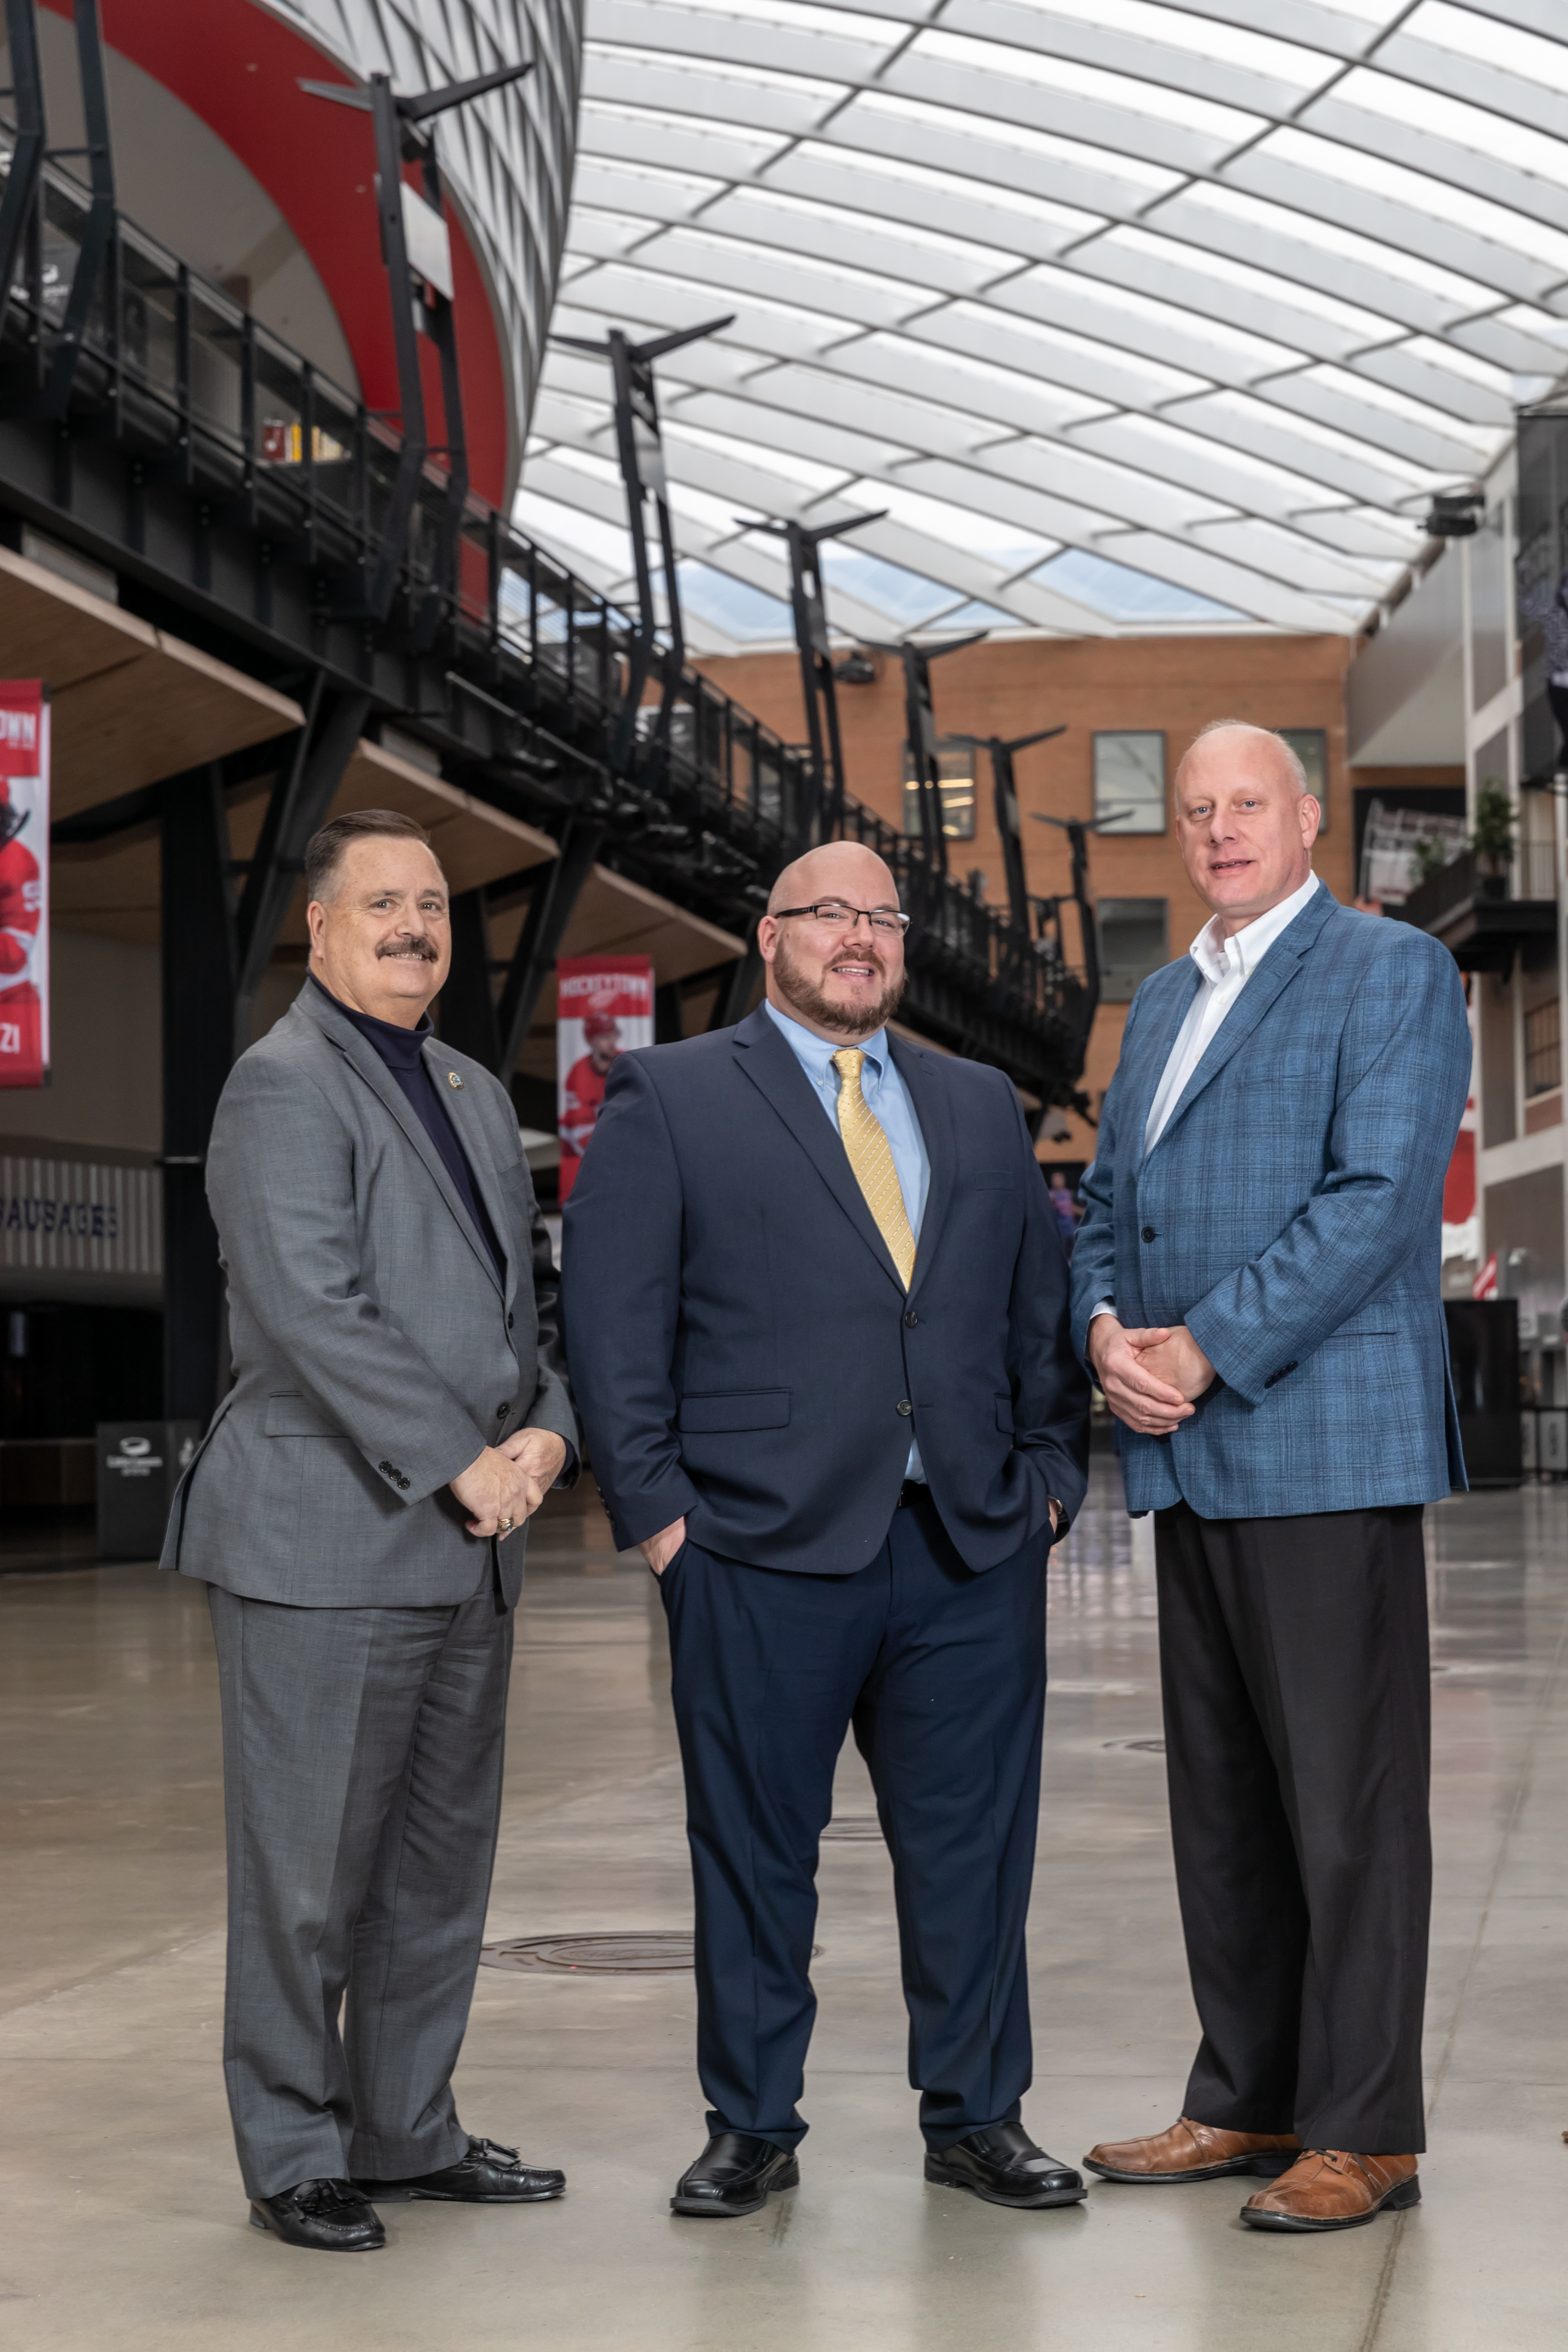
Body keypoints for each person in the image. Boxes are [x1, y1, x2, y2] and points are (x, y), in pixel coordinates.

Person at [562, 840, 1090, 2221]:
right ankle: (752, 2121)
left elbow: (1037, 1307)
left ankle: (978, 2116)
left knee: (974, 1848)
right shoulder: (669, 1094)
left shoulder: (980, 1104)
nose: (859, 935)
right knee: (753, 1847)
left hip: (968, 1543)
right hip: (752, 1545)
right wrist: (665, 1522)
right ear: (768, 935)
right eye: (829, 914)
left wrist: (1048, 1474)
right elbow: (613, 1329)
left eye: (881, 915)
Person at [1071, 722, 1469, 2234]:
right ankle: (1245, 2095)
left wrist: (1203, 1350)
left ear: (1308, 817)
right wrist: (1104, 1328)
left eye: (1250, 803)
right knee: (1225, 1800)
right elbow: (1106, 1199)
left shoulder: (1390, 970)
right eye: (1197, 810)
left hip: (1316, 1436)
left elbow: (1374, 1200)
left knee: (1349, 1807)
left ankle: (1366, 2128)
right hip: (1187, 1452)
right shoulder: (1166, 996)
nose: (1222, 829)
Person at [162, 808, 578, 2254]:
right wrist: (466, 1459)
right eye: (384, 903)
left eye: (436, 905)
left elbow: (520, 1311)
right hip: (328, 1540)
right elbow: (311, 1306)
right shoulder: (280, 1085)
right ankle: (292, 2151)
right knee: (306, 1874)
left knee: (434, 1864)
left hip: (475, 1536)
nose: (417, 927)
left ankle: (406, 2127)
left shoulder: (467, 1088)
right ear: (320, 930)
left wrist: (546, 1429)